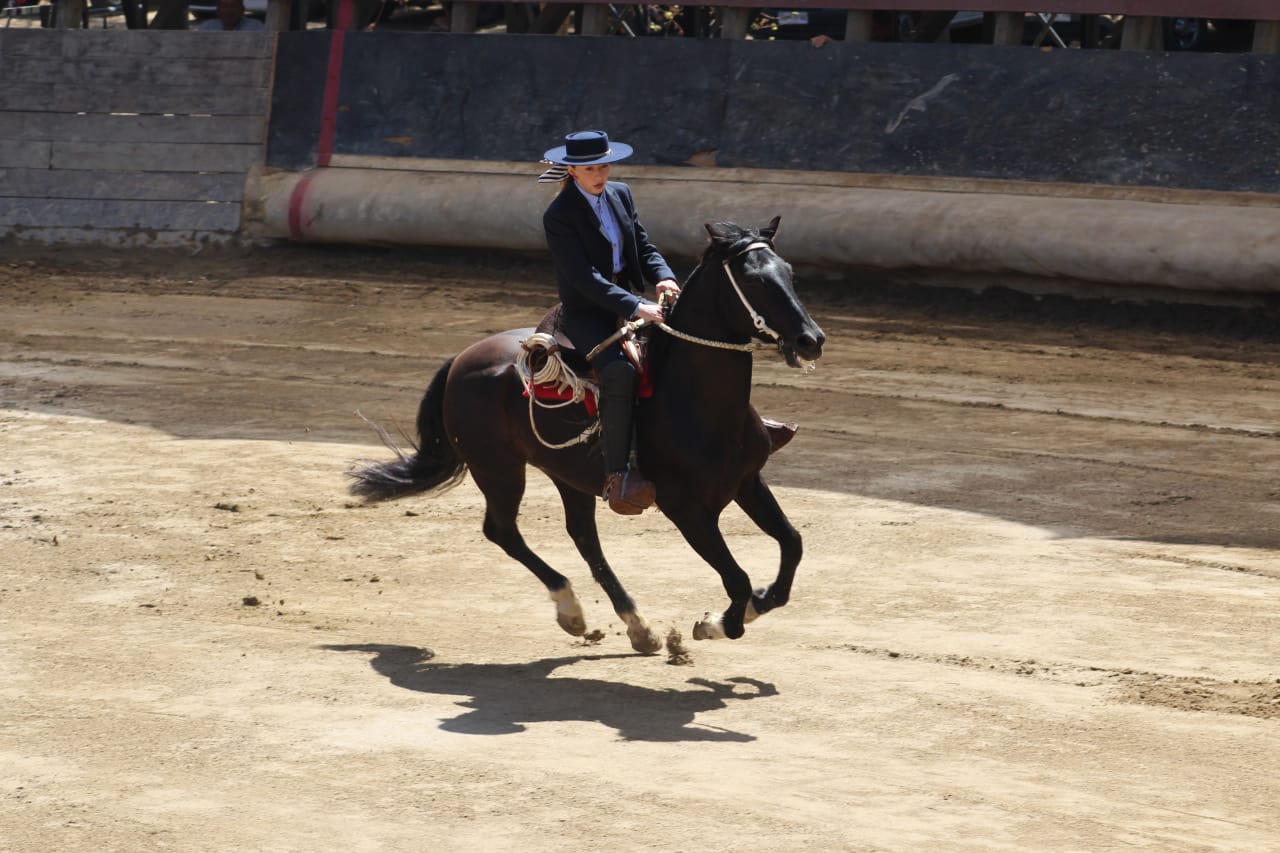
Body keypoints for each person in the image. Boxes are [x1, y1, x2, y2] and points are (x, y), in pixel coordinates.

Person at [540, 130, 680, 516]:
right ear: (572, 171)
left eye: (603, 165)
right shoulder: (559, 215)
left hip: (632, 302)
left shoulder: (620, 193)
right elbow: (584, 278)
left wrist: (663, 276)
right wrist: (637, 306)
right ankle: (617, 474)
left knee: (687, 345)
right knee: (618, 372)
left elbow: (644, 246)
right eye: (590, 168)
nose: (600, 174)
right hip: (586, 312)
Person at [198, 0, 264, 30]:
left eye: (234, 6)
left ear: (242, 9)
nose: (229, 11)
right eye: (224, 6)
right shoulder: (207, 27)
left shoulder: (256, 27)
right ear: (218, 11)